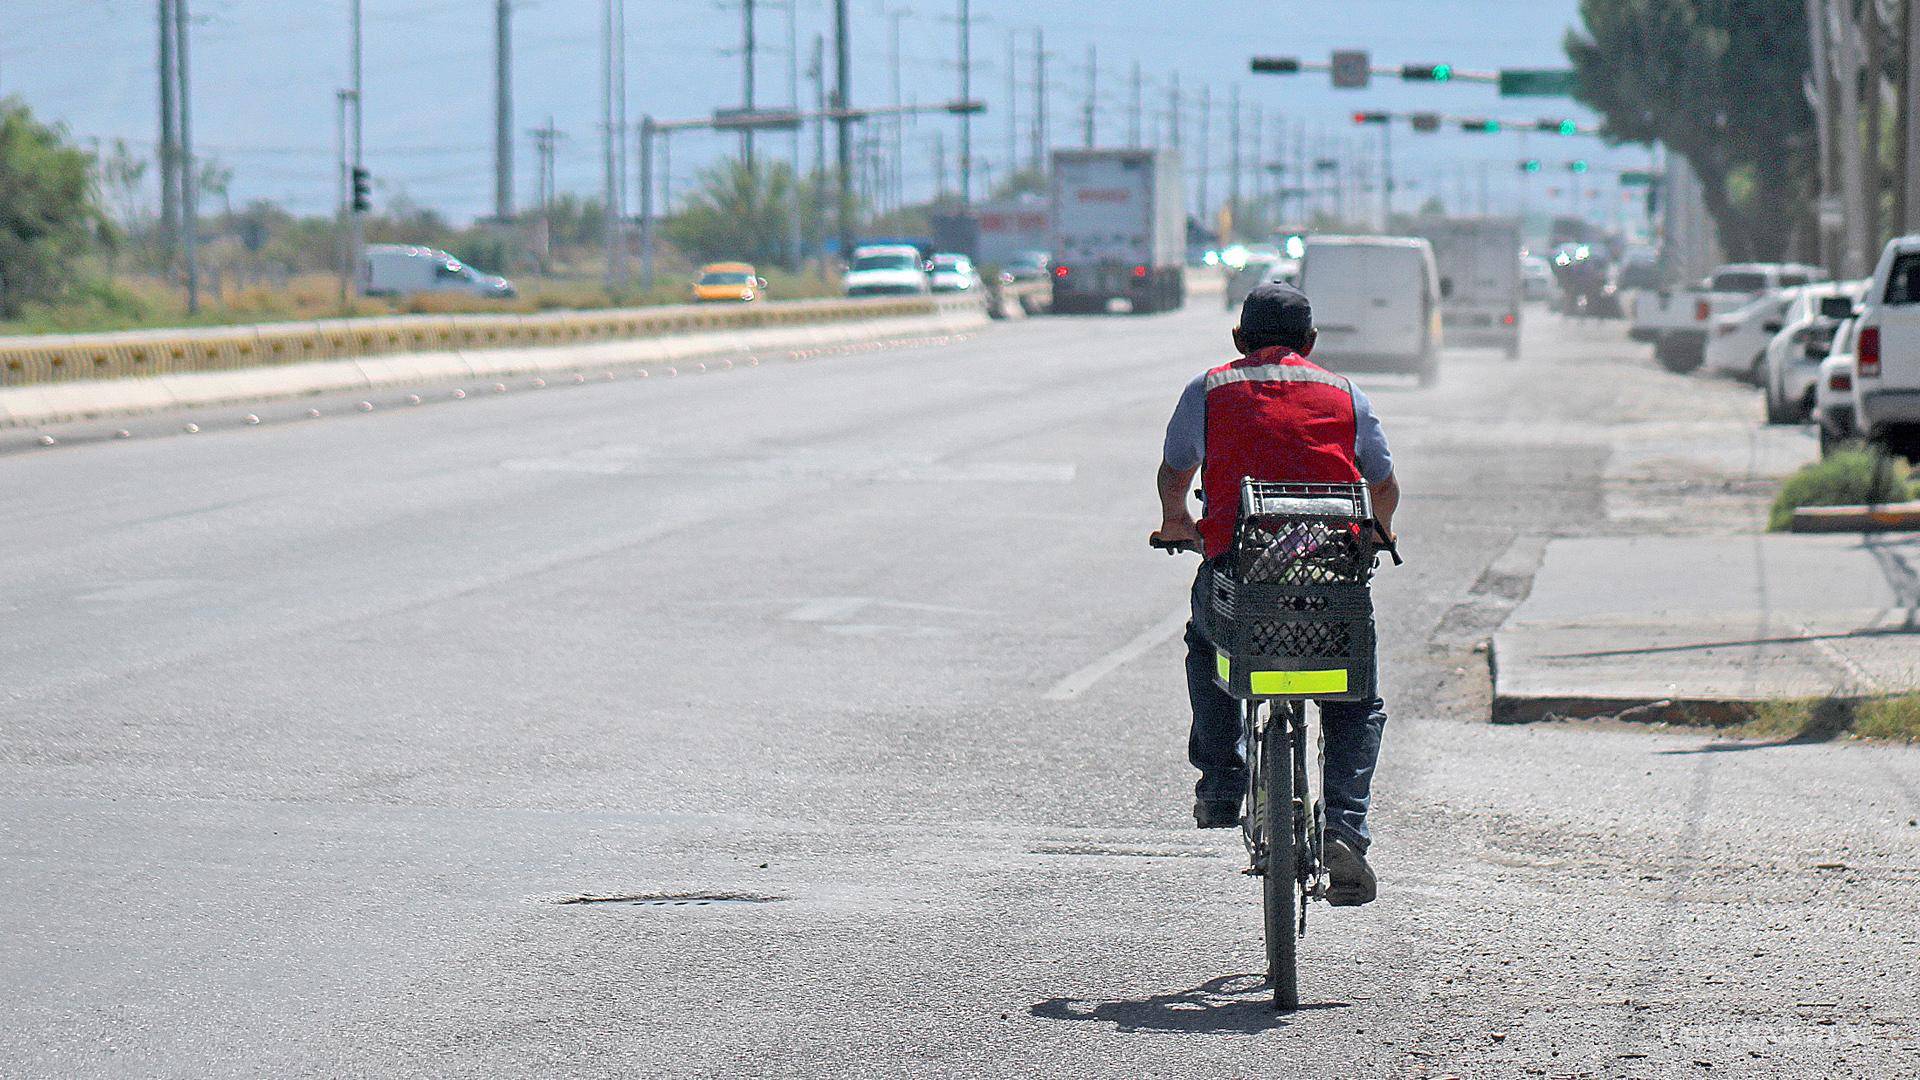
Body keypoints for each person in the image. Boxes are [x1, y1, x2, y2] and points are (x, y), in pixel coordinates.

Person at [1150, 282, 1398, 907]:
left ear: (1239, 338)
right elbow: (1383, 485)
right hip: (1328, 585)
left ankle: (1222, 782)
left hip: (1240, 580)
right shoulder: (1345, 392)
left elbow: (1176, 472)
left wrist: (1177, 521)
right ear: (1310, 343)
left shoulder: (1209, 389)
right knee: (1355, 699)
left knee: (1208, 648)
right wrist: (1380, 531)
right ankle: (1344, 830)